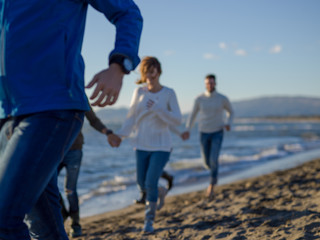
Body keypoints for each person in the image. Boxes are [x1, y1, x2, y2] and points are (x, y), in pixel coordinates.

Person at [0, 1, 142, 239]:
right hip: (8, 114)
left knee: (4, 218)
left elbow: (128, 12)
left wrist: (119, 65)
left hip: (53, 106)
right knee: (43, 227)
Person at [117, 56, 182, 233]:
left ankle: (149, 221)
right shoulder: (139, 93)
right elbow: (131, 117)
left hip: (161, 145)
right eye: (146, 72)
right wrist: (120, 135)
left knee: (150, 181)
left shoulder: (168, 93)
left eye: (152, 71)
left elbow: (177, 119)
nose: (149, 75)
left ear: (159, 72)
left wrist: (159, 109)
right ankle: (160, 191)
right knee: (142, 183)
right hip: (141, 143)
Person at [58, 107, 121, 238]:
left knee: (70, 190)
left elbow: (93, 120)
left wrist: (108, 133)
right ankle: (63, 213)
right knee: (47, 186)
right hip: (53, 151)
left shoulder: (78, 93)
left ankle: (75, 225)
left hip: (74, 151)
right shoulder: (50, 93)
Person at [181, 74, 234, 201]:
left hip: (218, 131)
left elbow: (231, 112)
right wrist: (188, 129)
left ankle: (211, 186)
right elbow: (192, 115)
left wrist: (228, 123)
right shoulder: (199, 99)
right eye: (207, 83)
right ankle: (213, 173)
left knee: (214, 159)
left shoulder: (222, 98)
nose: (210, 85)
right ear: (205, 84)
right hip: (203, 132)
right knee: (206, 162)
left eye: (211, 83)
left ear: (215, 83)